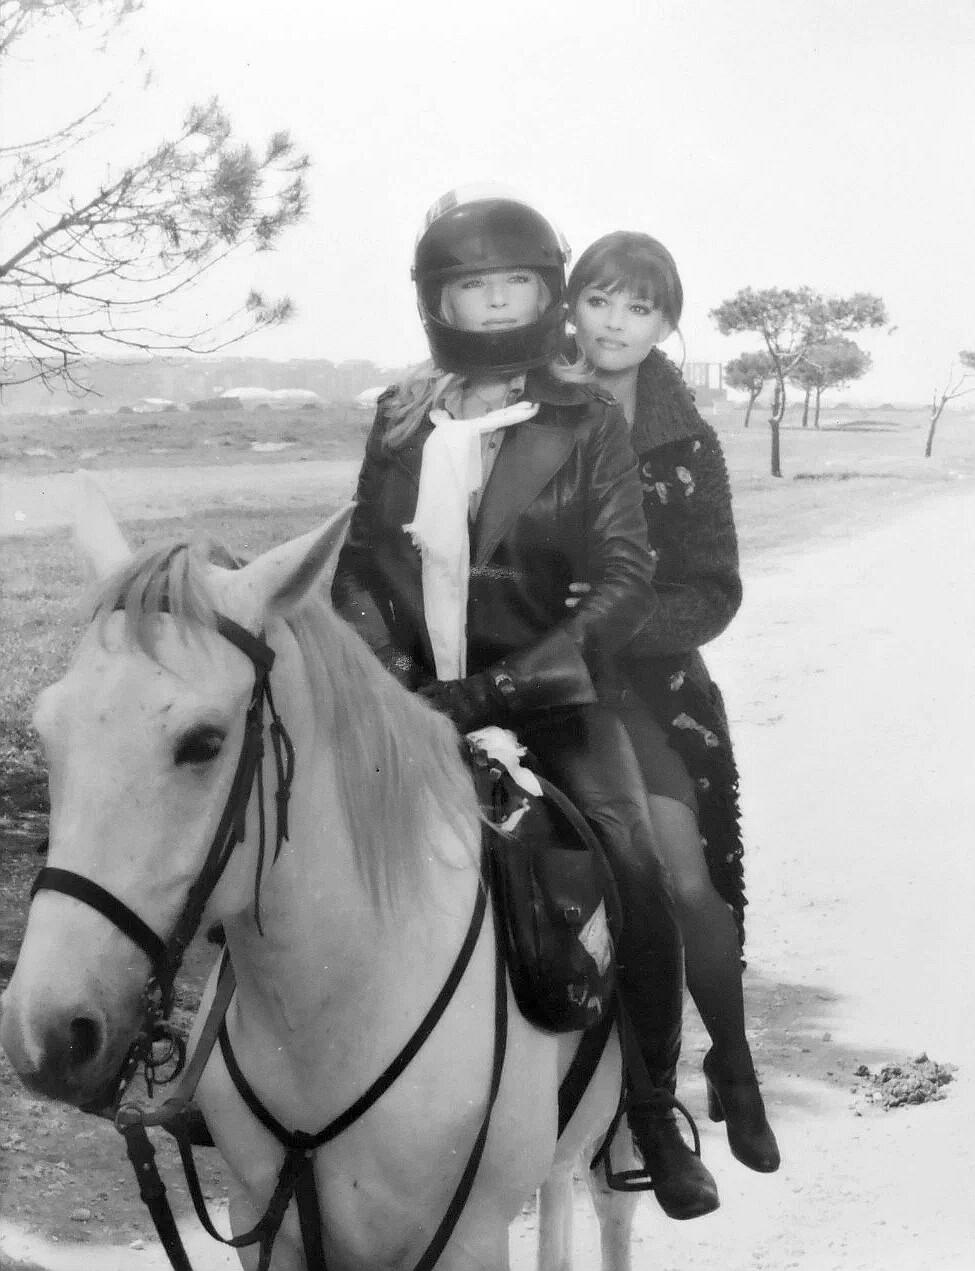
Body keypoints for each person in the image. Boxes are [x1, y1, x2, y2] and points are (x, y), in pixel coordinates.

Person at [332, 189, 719, 1219]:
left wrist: (492, 690)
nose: (497, 302)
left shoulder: (585, 417)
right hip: (406, 699)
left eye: (515, 282)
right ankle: (242, 1067)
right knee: (285, 825)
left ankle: (649, 1110)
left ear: (546, 293)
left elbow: (625, 581)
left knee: (634, 866)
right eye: (474, 286)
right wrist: (398, 681)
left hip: (550, 699)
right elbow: (360, 565)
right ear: (438, 300)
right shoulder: (400, 415)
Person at [564, 230, 780, 1175]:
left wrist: (620, 619)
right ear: (570, 304)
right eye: (598, 299)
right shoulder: (523, 406)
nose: (615, 322)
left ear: (666, 324)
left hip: (646, 687)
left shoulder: (685, 441)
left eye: (639, 306)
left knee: (680, 877)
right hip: (527, 670)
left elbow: (714, 590)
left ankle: (730, 1064)